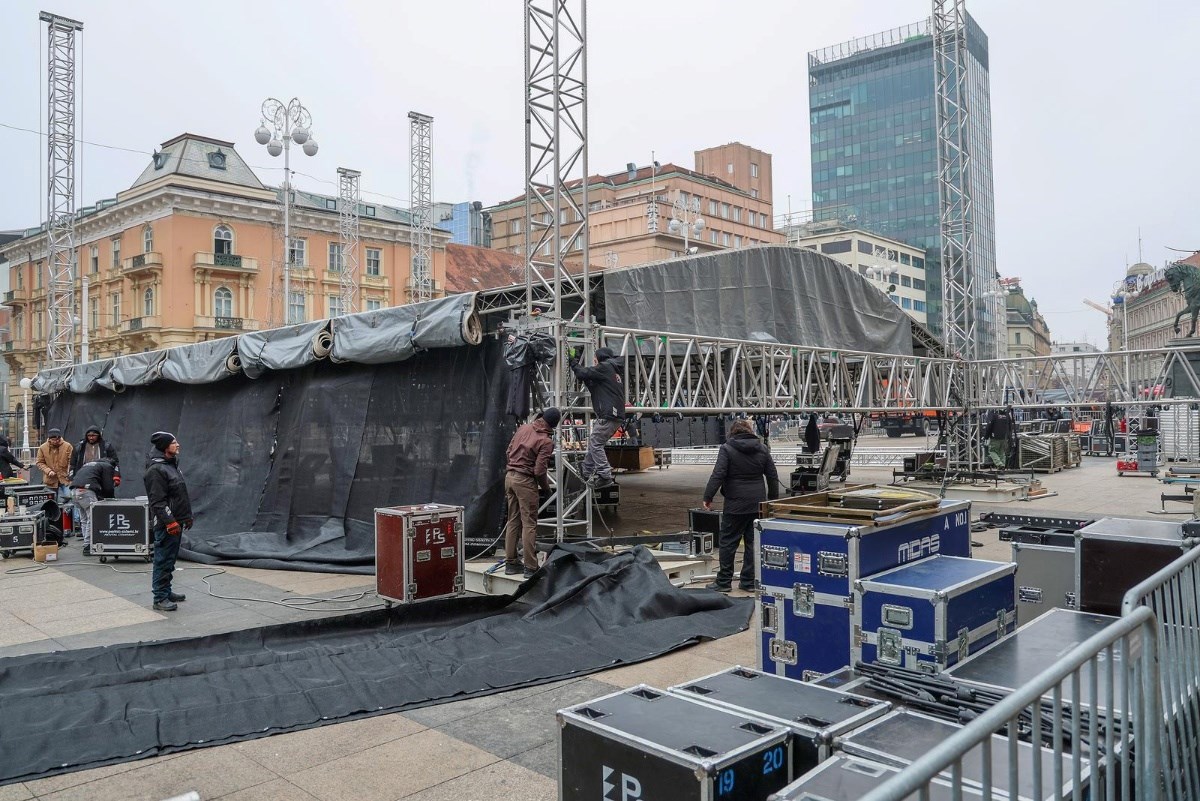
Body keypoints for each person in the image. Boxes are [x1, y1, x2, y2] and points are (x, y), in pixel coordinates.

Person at [702, 418, 780, 593]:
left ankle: (724, 582)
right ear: (750, 431)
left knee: (728, 542)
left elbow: (718, 474)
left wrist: (708, 497)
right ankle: (748, 582)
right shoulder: (762, 448)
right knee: (753, 543)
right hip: (757, 504)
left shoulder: (727, 448)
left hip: (735, 505)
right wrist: (771, 502)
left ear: (732, 432)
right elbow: (773, 476)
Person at [503, 407, 561, 578]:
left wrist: (515, 466)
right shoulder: (546, 441)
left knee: (513, 521)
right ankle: (530, 567)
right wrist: (547, 489)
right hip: (525, 482)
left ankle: (511, 563)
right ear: (553, 426)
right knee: (529, 523)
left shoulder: (523, 428)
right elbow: (539, 471)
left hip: (510, 477)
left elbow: (508, 452)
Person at [144, 431, 192, 612]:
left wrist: (186, 516)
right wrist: (170, 522)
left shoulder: (170, 465)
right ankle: (160, 597)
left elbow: (179, 494)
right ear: (165, 447)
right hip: (166, 524)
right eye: (174, 443)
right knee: (163, 560)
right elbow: (157, 502)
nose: (178, 445)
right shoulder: (156, 470)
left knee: (169, 559)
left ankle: (166, 590)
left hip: (176, 521)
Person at [568, 346, 625, 489]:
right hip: (614, 415)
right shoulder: (613, 370)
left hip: (609, 414)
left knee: (595, 443)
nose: (594, 362)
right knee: (595, 443)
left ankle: (605, 475)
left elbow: (582, 373)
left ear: (600, 357)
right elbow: (593, 382)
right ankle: (586, 471)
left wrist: (573, 361)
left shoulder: (605, 367)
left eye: (595, 359)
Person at [70, 457, 117, 556]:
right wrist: (111, 500)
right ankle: (88, 545)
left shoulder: (90, 464)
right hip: (86, 491)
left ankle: (86, 543)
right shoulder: (107, 466)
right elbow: (108, 487)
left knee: (84, 519)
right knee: (92, 518)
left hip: (74, 491)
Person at [35, 428, 73, 505]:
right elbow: (40, 462)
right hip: (50, 480)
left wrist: (69, 472)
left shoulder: (67, 446)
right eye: (54, 439)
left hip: (65, 479)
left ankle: (69, 516)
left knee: (70, 499)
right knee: (51, 503)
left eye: (58, 439)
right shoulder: (43, 448)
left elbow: (71, 461)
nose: (56, 441)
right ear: (49, 439)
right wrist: (48, 471)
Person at [983, 405, 1015, 469]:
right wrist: (1009, 437)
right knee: (1002, 452)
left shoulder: (993, 415)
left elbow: (989, 427)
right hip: (1004, 437)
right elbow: (1010, 427)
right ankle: (1002, 465)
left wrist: (986, 436)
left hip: (995, 437)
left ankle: (999, 464)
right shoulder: (1007, 415)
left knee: (992, 451)